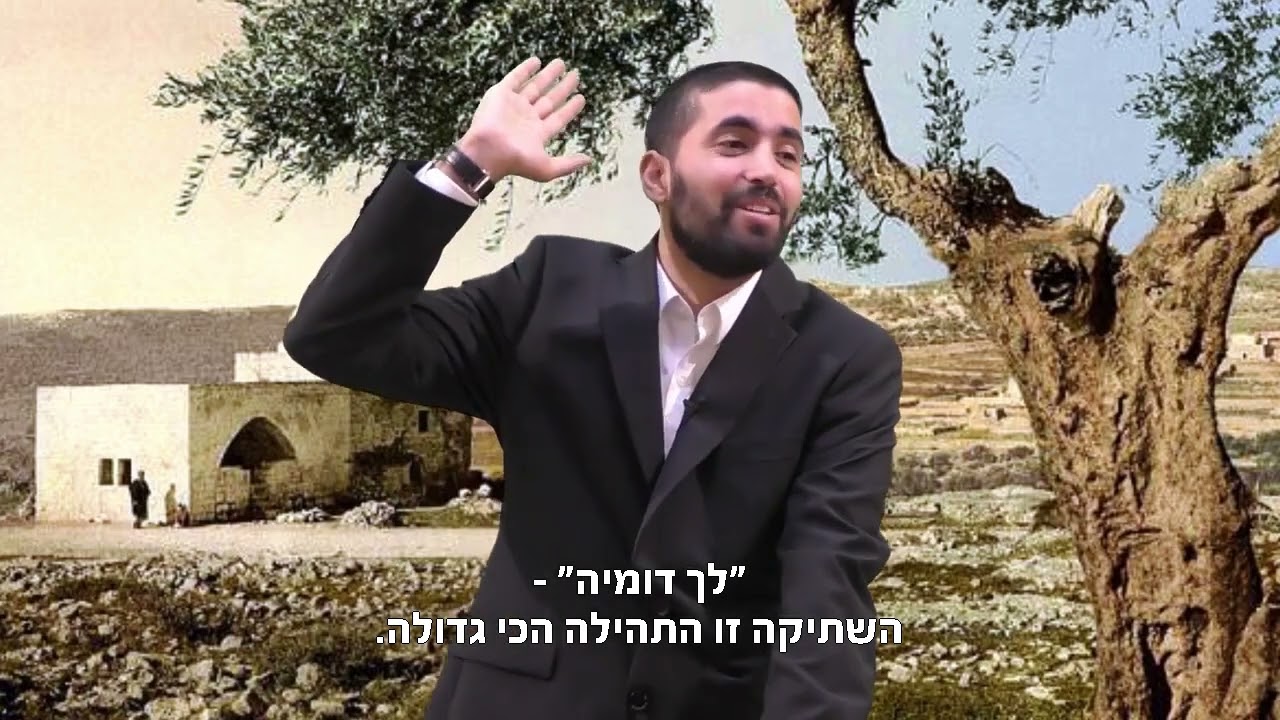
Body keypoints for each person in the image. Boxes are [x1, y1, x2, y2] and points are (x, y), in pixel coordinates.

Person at [283, 57, 902, 720]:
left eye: (788, 155)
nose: (766, 170)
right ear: (657, 176)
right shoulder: (547, 291)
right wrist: (472, 162)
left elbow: (828, 583)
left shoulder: (846, 356)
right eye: (734, 144)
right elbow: (336, 335)